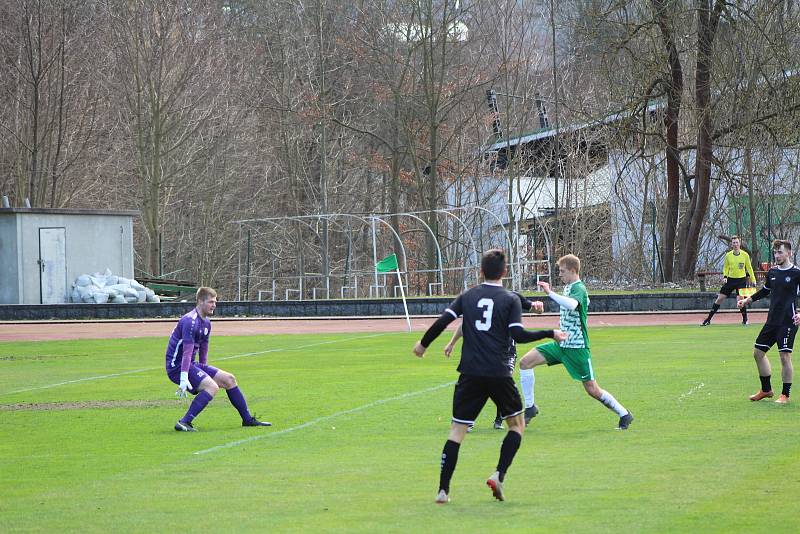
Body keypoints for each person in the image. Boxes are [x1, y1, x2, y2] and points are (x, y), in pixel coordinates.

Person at [412, 249, 565, 504]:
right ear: (504, 273)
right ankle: (499, 475)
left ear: (480, 271)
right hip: (498, 373)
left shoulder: (467, 296)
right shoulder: (510, 298)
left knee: (457, 431)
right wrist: (550, 332)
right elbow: (518, 335)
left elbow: (442, 321)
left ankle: (442, 490)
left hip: (470, 372)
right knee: (517, 426)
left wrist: (423, 345)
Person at [519, 254, 633, 430]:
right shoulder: (569, 287)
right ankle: (530, 407)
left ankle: (624, 414)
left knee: (592, 389)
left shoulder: (579, 287)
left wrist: (550, 292)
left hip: (577, 348)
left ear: (573, 271)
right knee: (525, 362)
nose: (560, 275)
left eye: (562, 271)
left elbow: (572, 305)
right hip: (560, 345)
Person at [166, 287, 272, 431]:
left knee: (229, 379)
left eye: (215, 302)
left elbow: (203, 349)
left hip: (191, 364)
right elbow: (186, 352)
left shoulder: (206, 323)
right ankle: (184, 422)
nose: (214, 305)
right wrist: (184, 377)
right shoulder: (190, 321)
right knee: (212, 387)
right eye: (211, 302)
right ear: (200, 301)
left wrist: (202, 372)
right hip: (177, 366)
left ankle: (247, 420)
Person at [443, 292, 544, 431]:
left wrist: (538, 307)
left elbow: (533, 308)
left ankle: (499, 419)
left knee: (501, 381)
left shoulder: (512, 297)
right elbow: (465, 324)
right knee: (476, 383)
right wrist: (452, 342)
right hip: (483, 350)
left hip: (507, 351)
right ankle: (468, 420)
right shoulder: (477, 298)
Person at [737, 239, 800, 404]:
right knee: (758, 353)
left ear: (789, 253)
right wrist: (747, 300)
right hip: (772, 320)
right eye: (775, 252)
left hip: (788, 321)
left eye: (780, 252)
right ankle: (766, 390)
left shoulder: (797, 273)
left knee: (784, 356)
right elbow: (765, 290)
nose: (776, 255)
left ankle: (785, 395)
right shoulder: (772, 272)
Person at [702, 235, 756, 326]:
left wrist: (753, 279)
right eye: (734, 243)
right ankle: (708, 319)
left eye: (737, 242)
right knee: (719, 299)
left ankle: (745, 320)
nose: (735, 244)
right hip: (730, 280)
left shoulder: (745, 255)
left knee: (740, 301)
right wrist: (725, 277)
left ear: (740, 243)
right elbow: (726, 267)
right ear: (731, 244)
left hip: (741, 280)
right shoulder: (728, 255)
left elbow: (749, 268)